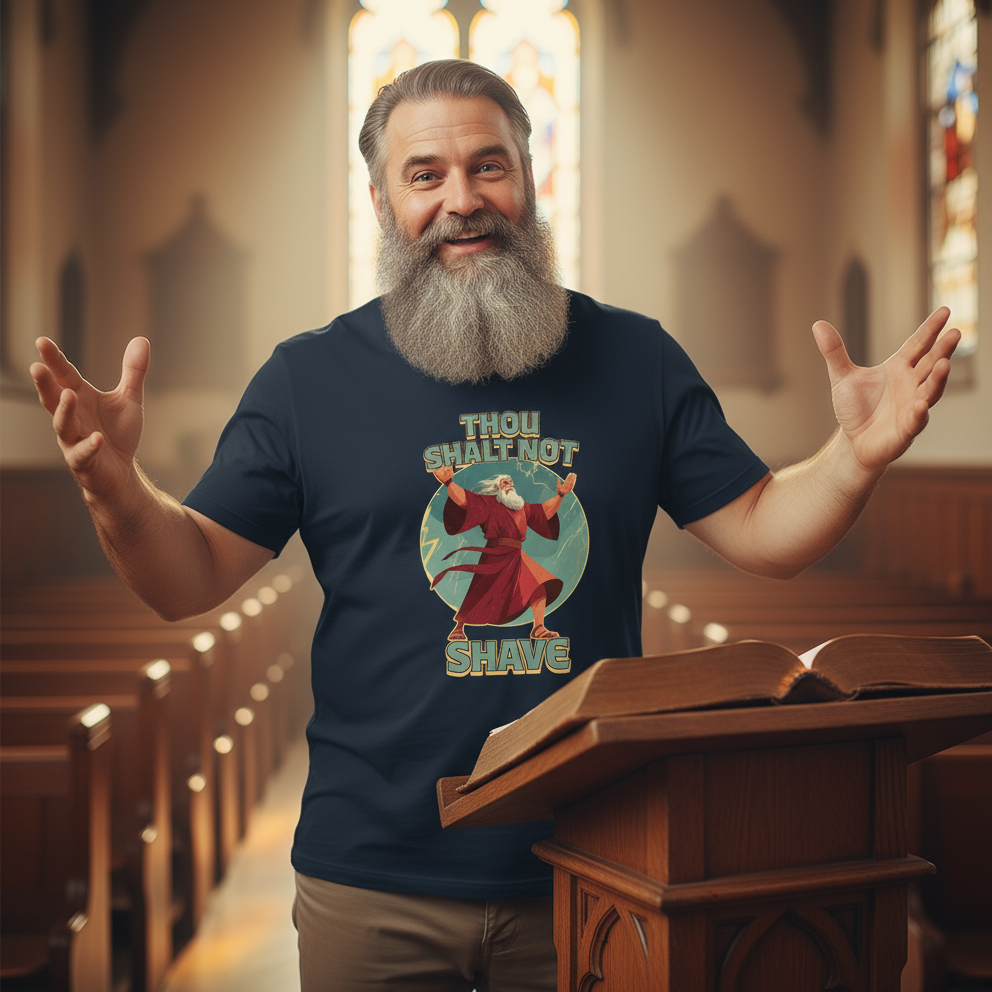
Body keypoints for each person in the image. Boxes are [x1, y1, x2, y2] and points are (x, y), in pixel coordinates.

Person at [30, 60, 958, 992]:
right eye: (424, 174)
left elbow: (767, 530)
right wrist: (116, 488)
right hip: (372, 873)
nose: (461, 200)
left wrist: (855, 457)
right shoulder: (307, 381)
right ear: (381, 197)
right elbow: (186, 576)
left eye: (490, 166)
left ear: (530, 177)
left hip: (596, 859)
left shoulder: (634, 358)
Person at [430, 470, 577, 641]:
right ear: (497, 487)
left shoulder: (523, 507)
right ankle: (459, 628)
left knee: (539, 584)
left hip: (517, 554)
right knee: (480, 592)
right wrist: (449, 483)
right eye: (505, 482)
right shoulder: (488, 503)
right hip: (495, 553)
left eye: (511, 482)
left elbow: (544, 512)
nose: (510, 485)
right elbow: (465, 500)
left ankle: (538, 627)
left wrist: (560, 495)